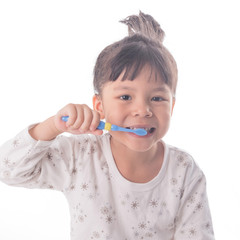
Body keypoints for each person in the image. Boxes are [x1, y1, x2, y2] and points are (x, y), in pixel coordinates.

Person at [0, 11, 215, 239]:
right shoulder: (81, 155)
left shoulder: (184, 171)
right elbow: (7, 169)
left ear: (172, 107)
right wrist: (54, 126)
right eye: (125, 97)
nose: (142, 110)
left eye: (157, 98)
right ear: (99, 106)